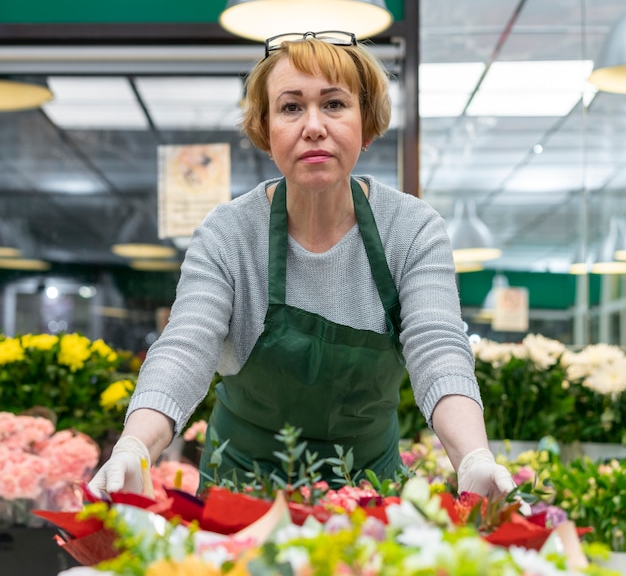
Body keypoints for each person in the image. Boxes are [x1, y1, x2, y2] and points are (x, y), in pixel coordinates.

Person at [89, 30, 517, 499]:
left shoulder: (411, 229)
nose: (313, 125)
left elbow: (438, 346)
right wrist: (135, 445)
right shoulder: (228, 233)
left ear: (366, 123)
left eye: (334, 104)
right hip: (240, 493)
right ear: (266, 129)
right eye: (291, 107)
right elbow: (186, 345)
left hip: (368, 494)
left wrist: (473, 457)